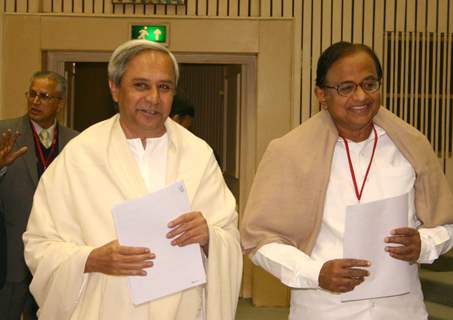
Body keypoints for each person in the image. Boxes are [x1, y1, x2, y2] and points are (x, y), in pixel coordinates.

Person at [23, 40, 242, 320]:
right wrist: (91, 259)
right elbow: (39, 243)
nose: (153, 98)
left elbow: (229, 239)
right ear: (115, 89)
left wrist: (209, 236)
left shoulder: (198, 155)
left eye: (164, 87)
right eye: (141, 85)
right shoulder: (79, 156)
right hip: (102, 308)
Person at [240, 41, 453, 320]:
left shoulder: (411, 147)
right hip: (325, 308)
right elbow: (259, 242)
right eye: (346, 87)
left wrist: (424, 244)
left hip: (401, 310)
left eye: (369, 83)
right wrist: (316, 272)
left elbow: (447, 223)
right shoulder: (289, 152)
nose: (361, 96)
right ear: (321, 94)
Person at [0, 71, 78, 320]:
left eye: (44, 96)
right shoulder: (5, 133)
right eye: (32, 94)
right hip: (11, 251)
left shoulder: (75, 143)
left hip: (54, 253)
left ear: (60, 103)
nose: (35, 101)